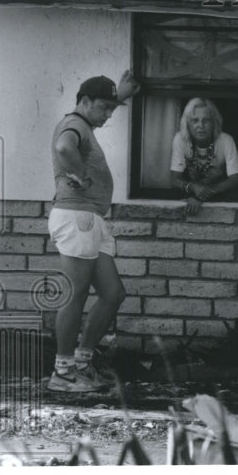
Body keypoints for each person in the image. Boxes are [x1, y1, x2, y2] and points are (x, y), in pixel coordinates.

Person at [46, 72, 139, 392]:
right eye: (103, 107)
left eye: (112, 109)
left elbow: (98, 107)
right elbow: (63, 148)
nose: (108, 115)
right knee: (77, 294)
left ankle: (83, 363)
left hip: (90, 219)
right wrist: (82, 174)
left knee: (113, 294)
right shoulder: (74, 124)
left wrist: (119, 95)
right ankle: (63, 371)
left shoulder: (85, 122)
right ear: (83, 102)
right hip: (76, 216)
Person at [170, 98, 238, 214]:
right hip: (189, 199)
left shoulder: (226, 140)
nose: (200, 126)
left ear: (214, 122)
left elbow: (235, 180)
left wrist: (201, 196)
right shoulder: (180, 139)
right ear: (187, 123)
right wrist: (193, 187)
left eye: (206, 120)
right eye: (195, 120)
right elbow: (174, 180)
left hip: (221, 201)